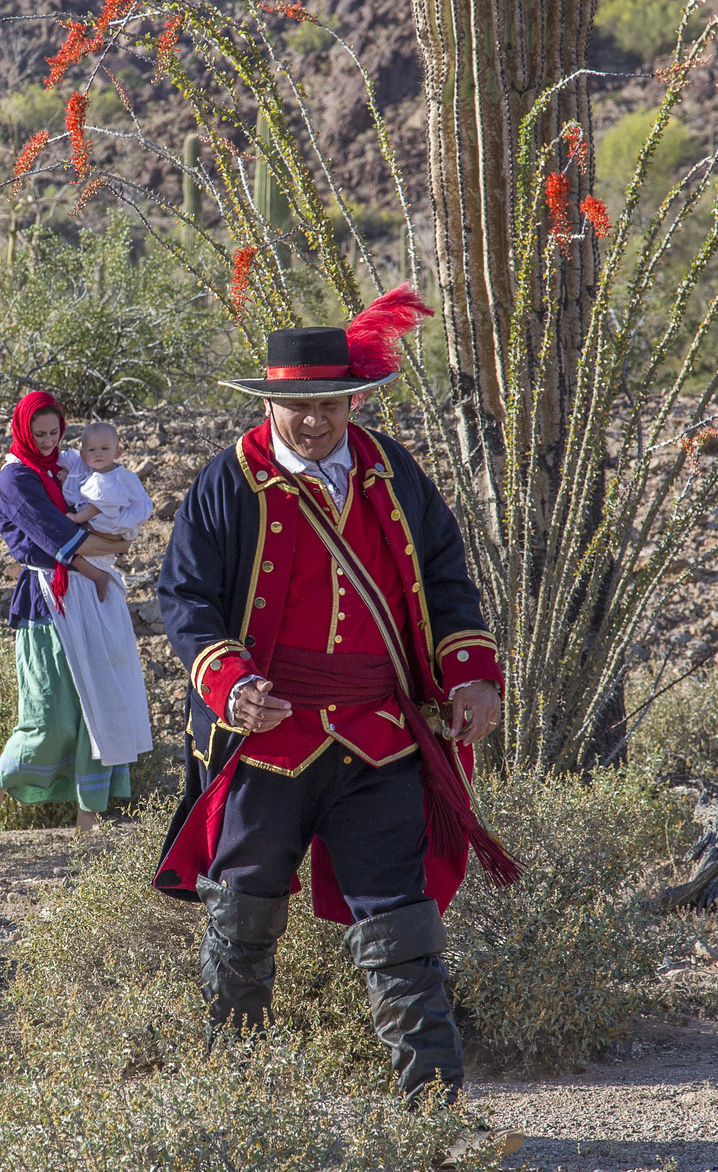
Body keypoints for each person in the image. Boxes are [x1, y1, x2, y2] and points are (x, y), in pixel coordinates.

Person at [153, 287, 510, 1102]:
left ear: (353, 396)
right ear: (271, 400)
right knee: (241, 921)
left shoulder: (393, 472)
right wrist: (228, 684)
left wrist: (472, 674)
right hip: (268, 737)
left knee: (402, 926)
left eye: (326, 402)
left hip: (377, 733)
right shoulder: (227, 482)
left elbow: (448, 578)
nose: (311, 419)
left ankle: (431, 1107)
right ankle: (234, 1102)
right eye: (293, 403)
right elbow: (184, 599)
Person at [0, 392, 152, 835]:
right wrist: (118, 546)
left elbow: (107, 499)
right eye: (40, 434)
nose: (49, 441)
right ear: (22, 432)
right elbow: (58, 538)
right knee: (48, 712)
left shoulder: (64, 469)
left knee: (99, 701)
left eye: (55, 432)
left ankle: (88, 821)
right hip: (45, 600)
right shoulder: (17, 479)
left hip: (88, 594)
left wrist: (109, 544)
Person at [62, 421, 153, 600]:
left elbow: (97, 505)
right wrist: (67, 477)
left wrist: (78, 517)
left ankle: (99, 578)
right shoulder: (93, 472)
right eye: (92, 450)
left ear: (117, 452)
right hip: (107, 530)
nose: (98, 454)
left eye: (104, 448)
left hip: (114, 526)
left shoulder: (109, 480)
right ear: (82, 454)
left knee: (74, 549)